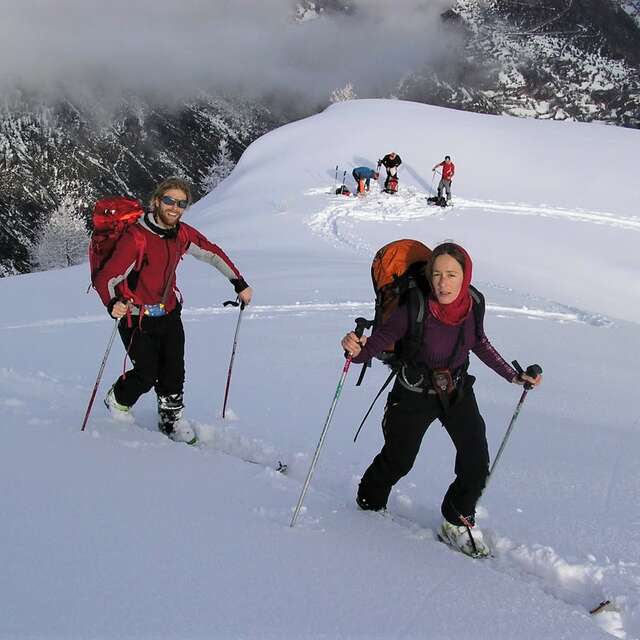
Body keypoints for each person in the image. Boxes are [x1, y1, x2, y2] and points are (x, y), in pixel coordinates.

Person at [341, 242, 541, 556]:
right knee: (399, 459)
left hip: (456, 390)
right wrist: (355, 348)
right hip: (412, 393)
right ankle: (369, 501)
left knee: (476, 461)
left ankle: (455, 518)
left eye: (451, 274)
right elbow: (375, 344)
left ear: (466, 276)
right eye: (436, 274)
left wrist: (513, 376)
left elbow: (479, 342)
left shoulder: (473, 303)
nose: (442, 283)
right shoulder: (414, 306)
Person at [93, 177, 253, 445]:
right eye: (169, 200)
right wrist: (112, 303)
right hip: (136, 317)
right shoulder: (136, 238)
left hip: (169, 313)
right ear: (156, 201)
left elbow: (211, 252)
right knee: (145, 373)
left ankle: (170, 419)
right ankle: (118, 399)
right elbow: (107, 277)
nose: (174, 207)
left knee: (174, 371)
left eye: (181, 203)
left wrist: (238, 282)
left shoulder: (181, 233)